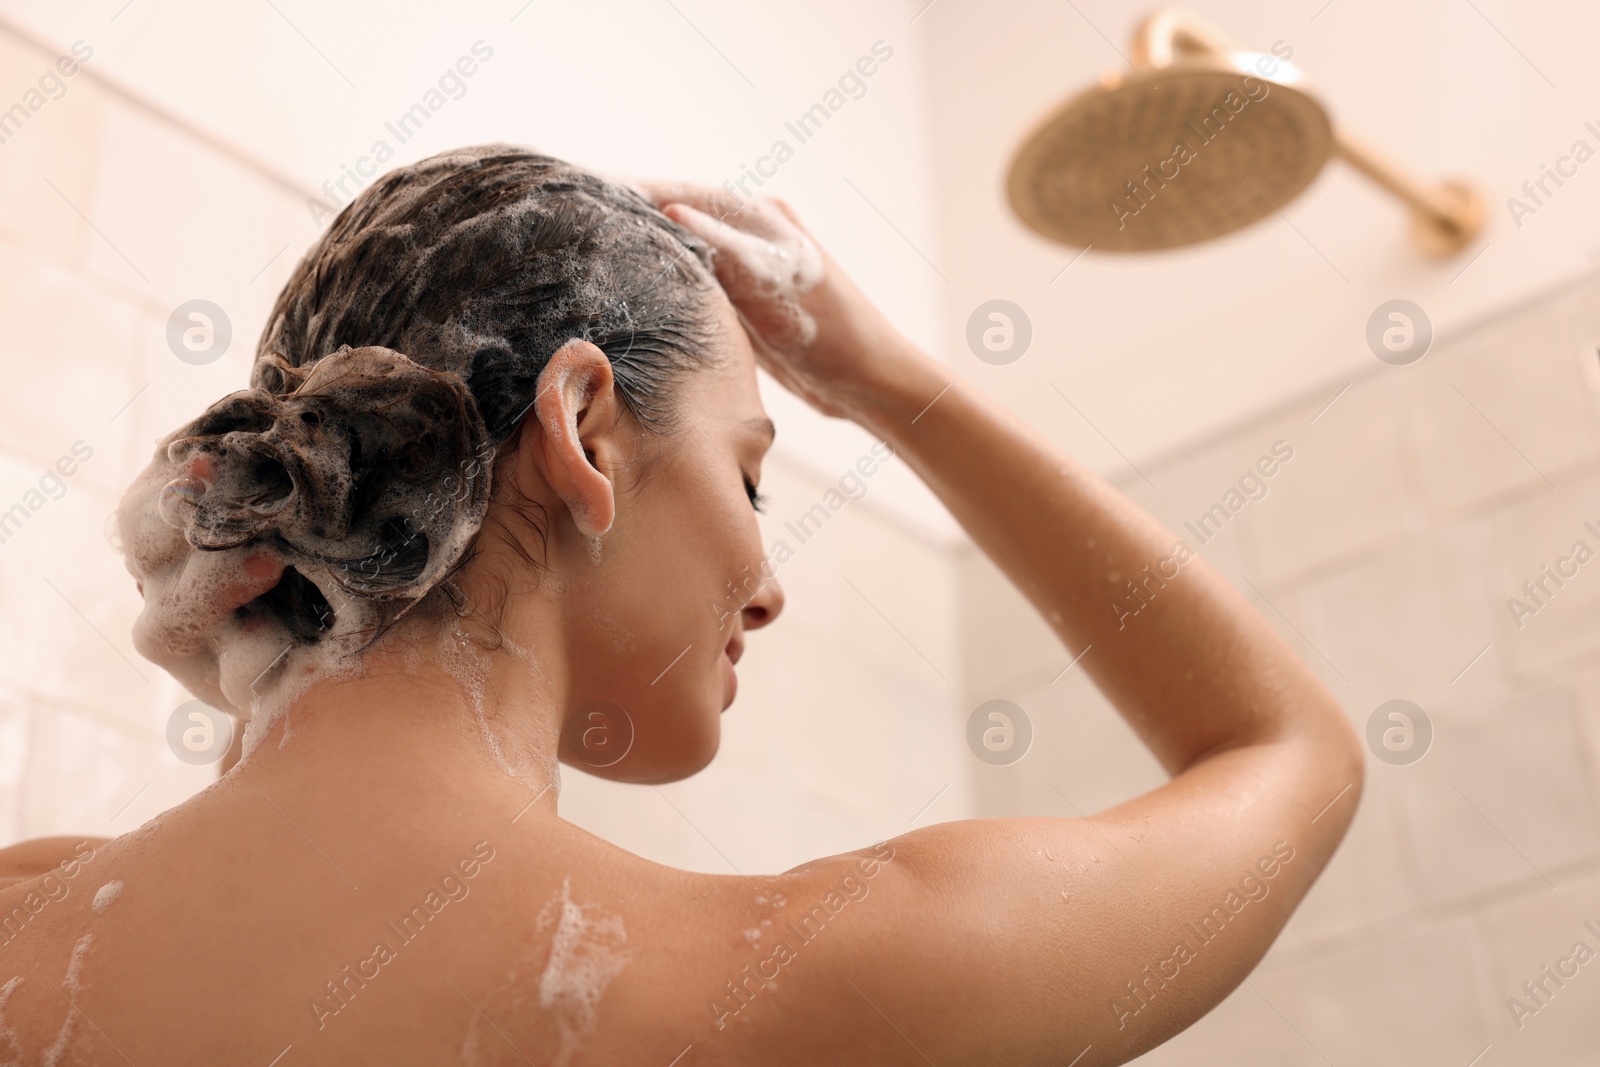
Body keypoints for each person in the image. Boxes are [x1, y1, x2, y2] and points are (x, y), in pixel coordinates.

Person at [0, 146, 1363, 1065]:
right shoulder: (808, 981)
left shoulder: (27, 935)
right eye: (752, 480)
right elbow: (1288, 754)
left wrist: (285, 665)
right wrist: (891, 383)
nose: (765, 586)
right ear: (585, 427)